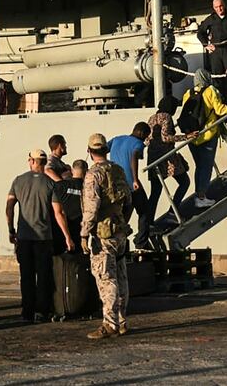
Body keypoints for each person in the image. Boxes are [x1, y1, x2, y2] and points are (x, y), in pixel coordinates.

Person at [5, 149, 75, 322]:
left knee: (26, 275)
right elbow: (59, 213)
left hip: (24, 237)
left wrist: (11, 230)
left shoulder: (18, 181)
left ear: (31, 161)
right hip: (44, 237)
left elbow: (9, 207)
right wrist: (67, 236)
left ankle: (26, 312)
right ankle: (42, 311)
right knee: (44, 276)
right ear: (43, 163)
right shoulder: (51, 184)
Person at [80, 133, 132, 339]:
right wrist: (122, 220)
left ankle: (109, 324)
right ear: (106, 150)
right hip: (119, 230)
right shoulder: (118, 170)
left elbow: (91, 208)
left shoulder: (93, 175)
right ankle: (122, 321)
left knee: (106, 277)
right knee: (121, 275)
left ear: (90, 151)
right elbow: (129, 200)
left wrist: (84, 233)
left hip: (102, 234)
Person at [182, 69, 227, 208]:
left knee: (199, 167)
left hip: (192, 136)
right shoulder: (211, 90)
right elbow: (220, 110)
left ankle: (199, 194)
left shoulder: (188, 93)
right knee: (206, 166)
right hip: (208, 134)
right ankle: (201, 196)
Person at [146, 96, 193, 244]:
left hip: (153, 158)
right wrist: (185, 137)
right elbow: (166, 137)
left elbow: (148, 140)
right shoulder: (166, 117)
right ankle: (173, 212)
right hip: (166, 157)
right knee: (184, 182)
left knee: (155, 192)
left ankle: (148, 223)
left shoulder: (151, 118)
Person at [108, 122, 151, 248]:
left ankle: (118, 241)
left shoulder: (117, 139)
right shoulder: (138, 143)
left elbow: (103, 148)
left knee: (123, 214)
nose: (145, 139)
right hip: (131, 185)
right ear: (141, 133)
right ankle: (141, 242)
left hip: (116, 185)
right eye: (146, 136)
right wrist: (135, 179)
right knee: (144, 212)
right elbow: (134, 156)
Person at [52, 159, 87, 253]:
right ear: (86, 172)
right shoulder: (88, 188)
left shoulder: (59, 186)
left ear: (72, 170)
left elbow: (57, 212)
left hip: (61, 230)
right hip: (81, 231)